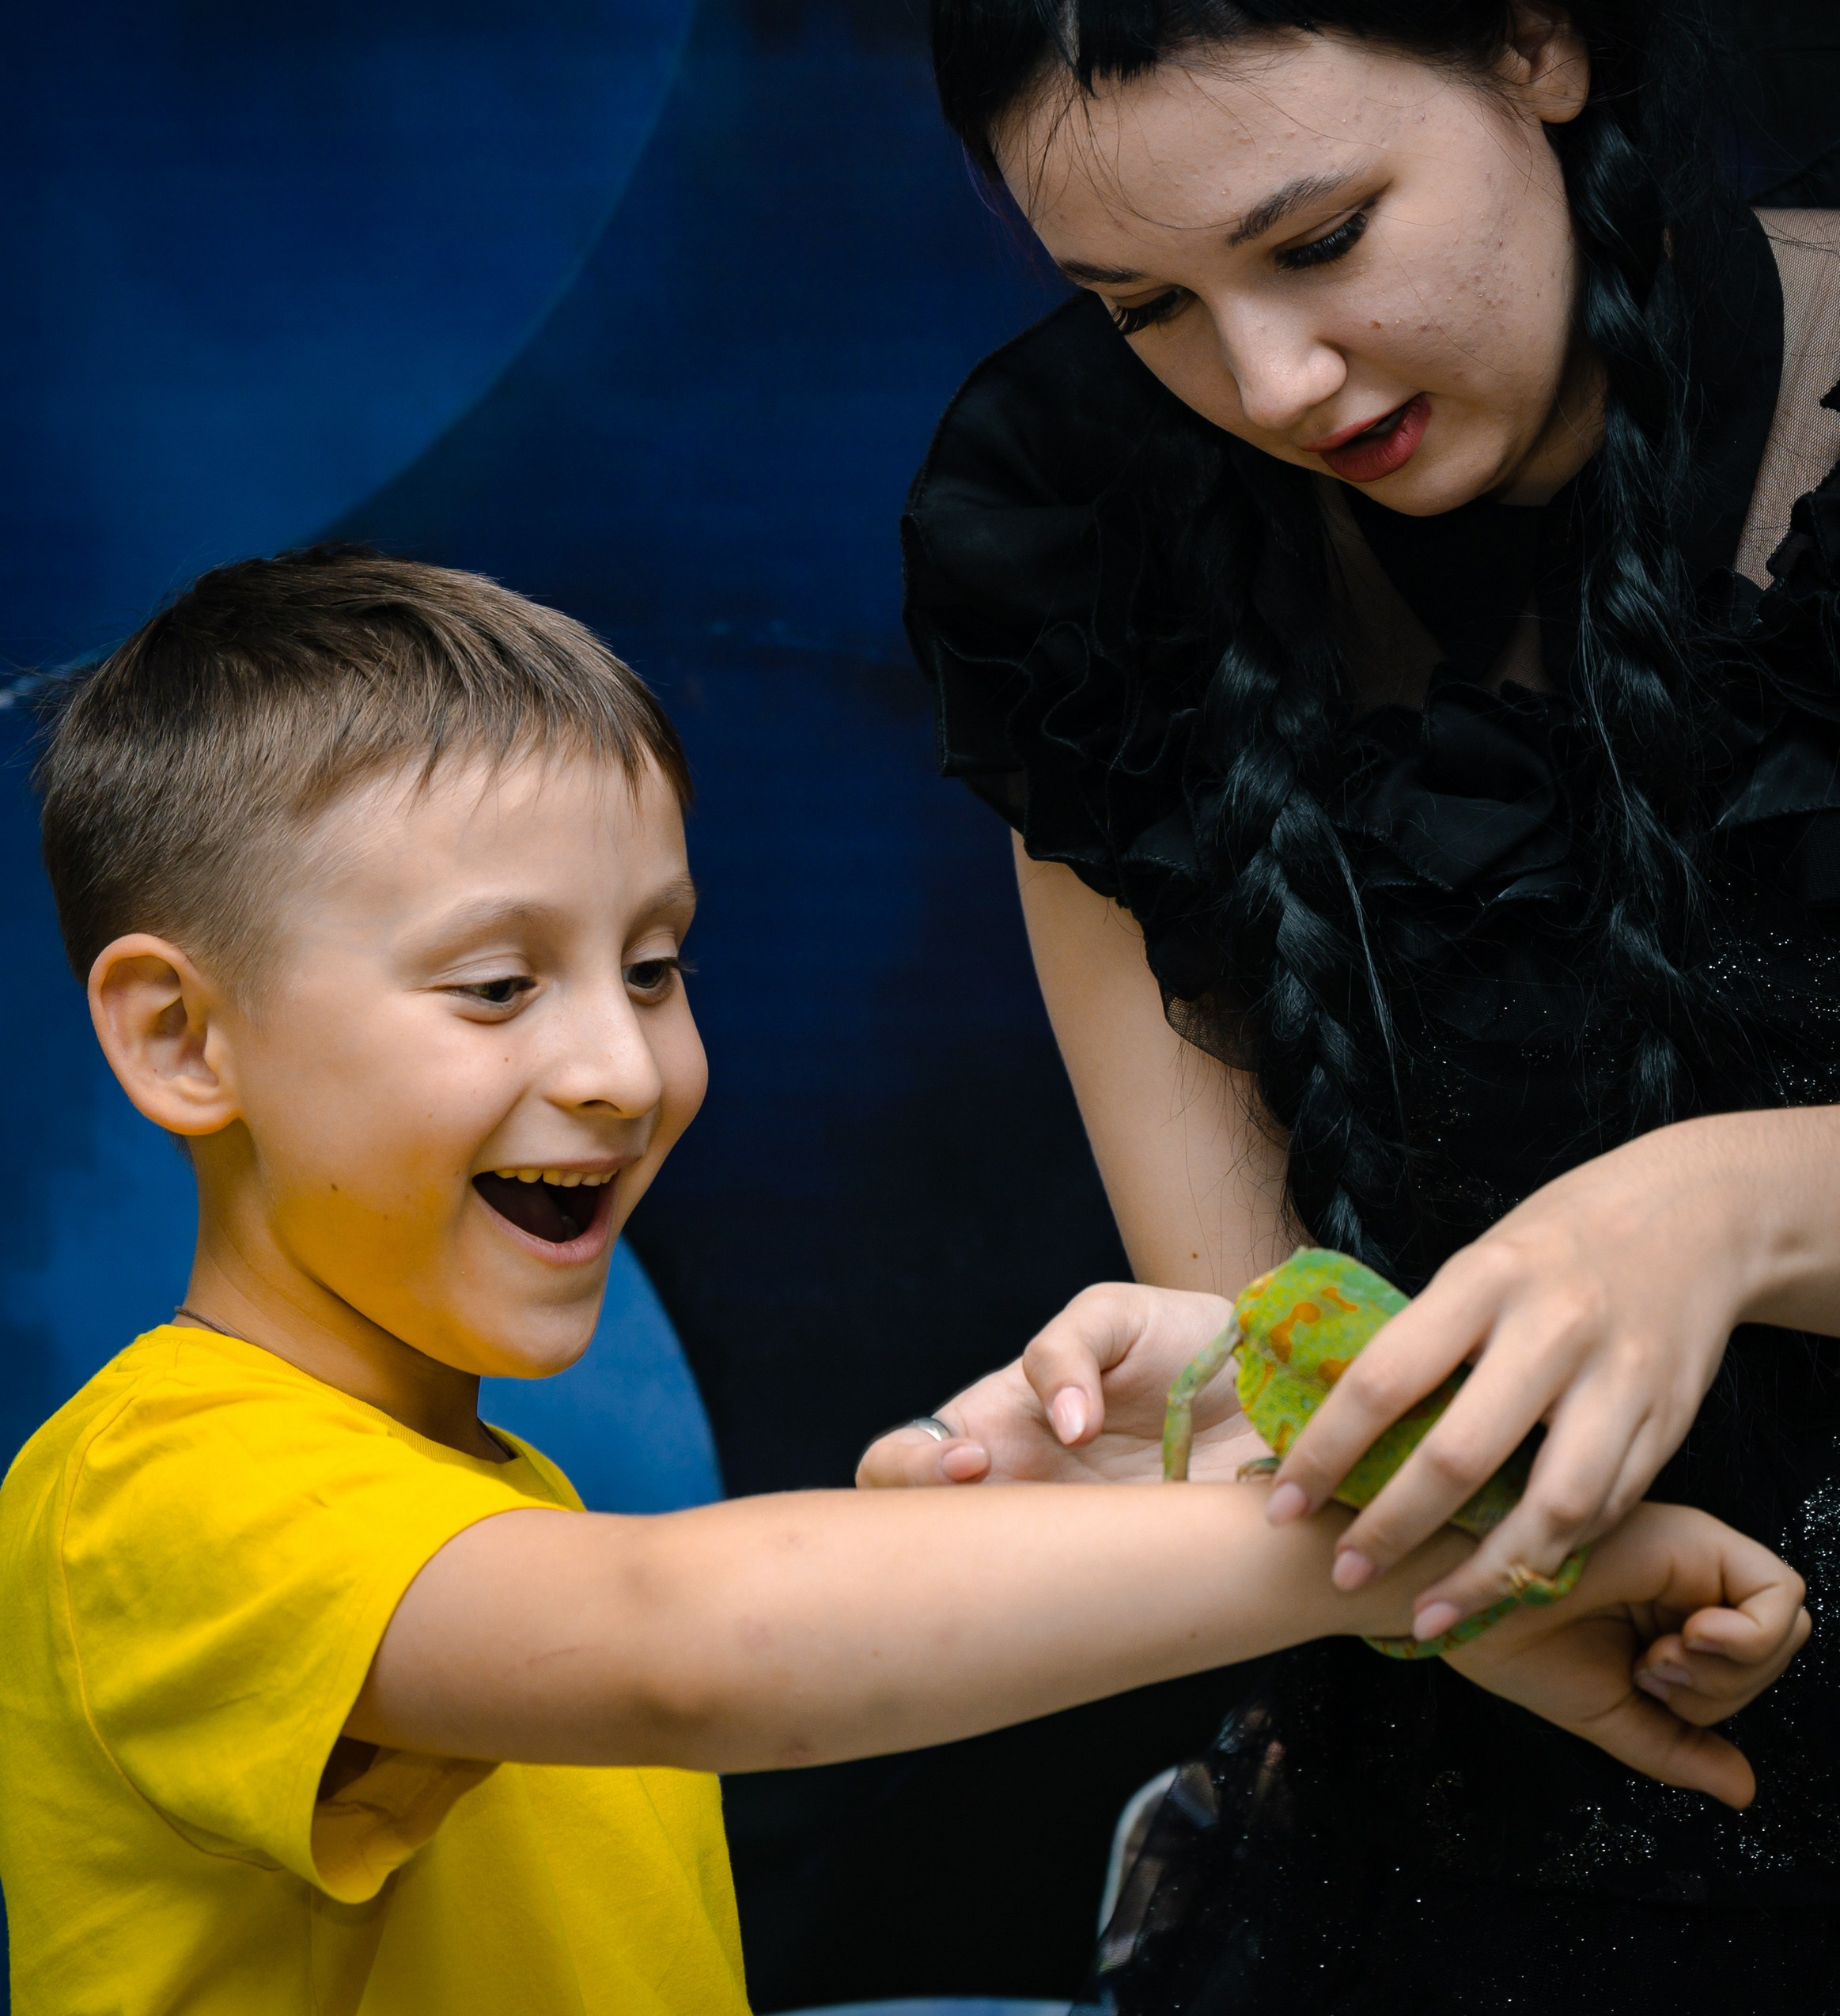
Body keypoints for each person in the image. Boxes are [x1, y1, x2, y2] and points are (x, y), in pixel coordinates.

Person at [2, 545, 1796, 2015]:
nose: (627, 1069)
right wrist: (1388, 1558)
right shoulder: (150, 1494)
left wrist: (1403, 1564)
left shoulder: (467, 1495)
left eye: (652, 966)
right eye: (496, 987)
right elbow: (689, 1644)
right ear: (180, 1035)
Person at [883, 0, 1840, 2013]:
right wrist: (1425, 1563)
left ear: (1533, 40)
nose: (1266, 386)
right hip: (1435, 1817)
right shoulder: (1070, 539)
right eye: (1143, 309)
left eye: (1313, 240)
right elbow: (1250, 1331)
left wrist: (1721, 1208)